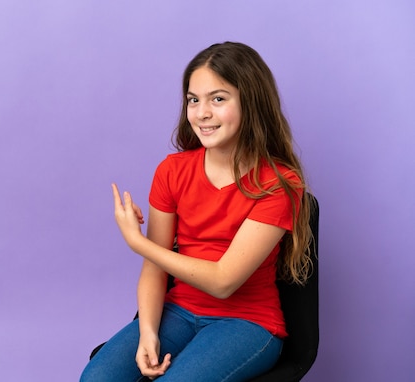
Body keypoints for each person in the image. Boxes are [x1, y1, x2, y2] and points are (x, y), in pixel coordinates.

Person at [80, 41, 313, 382]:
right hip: (178, 311)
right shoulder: (172, 171)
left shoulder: (278, 184)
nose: (201, 112)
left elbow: (223, 282)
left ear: (251, 102)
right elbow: (155, 269)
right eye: (193, 99)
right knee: (96, 379)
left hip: (248, 323)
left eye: (218, 98)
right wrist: (147, 331)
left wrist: (137, 241)